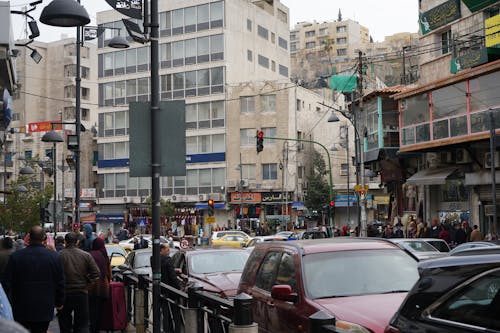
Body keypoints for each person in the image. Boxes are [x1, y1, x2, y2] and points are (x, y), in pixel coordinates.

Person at [3, 226, 65, 333]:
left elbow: (7, 282)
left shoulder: (16, 257)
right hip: (44, 306)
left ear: (29, 238)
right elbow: (60, 282)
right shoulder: (54, 257)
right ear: (44, 238)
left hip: (21, 306)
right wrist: (59, 301)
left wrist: (9, 302)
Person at [58, 232, 100, 333]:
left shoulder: (59, 255)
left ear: (65, 242)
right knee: (82, 323)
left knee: (64, 323)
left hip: (65, 293)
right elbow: (96, 273)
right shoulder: (86, 255)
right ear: (77, 242)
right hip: (81, 292)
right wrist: (89, 285)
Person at [88, 238, 111, 333]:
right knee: (100, 311)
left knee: (91, 311)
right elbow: (109, 273)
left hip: (91, 287)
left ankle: (93, 329)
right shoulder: (104, 255)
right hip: (103, 287)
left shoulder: (90, 255)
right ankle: (98, 328)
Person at [160, 243, 180, 333]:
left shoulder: (154, 258)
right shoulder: (167, 260)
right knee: (174, 312)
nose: (169, 252)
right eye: (167, 250)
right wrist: (178, 289)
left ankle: (166, 329)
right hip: (170, 289)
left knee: (164, 312)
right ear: (162, 250)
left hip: (160, 289)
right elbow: (172, 276)